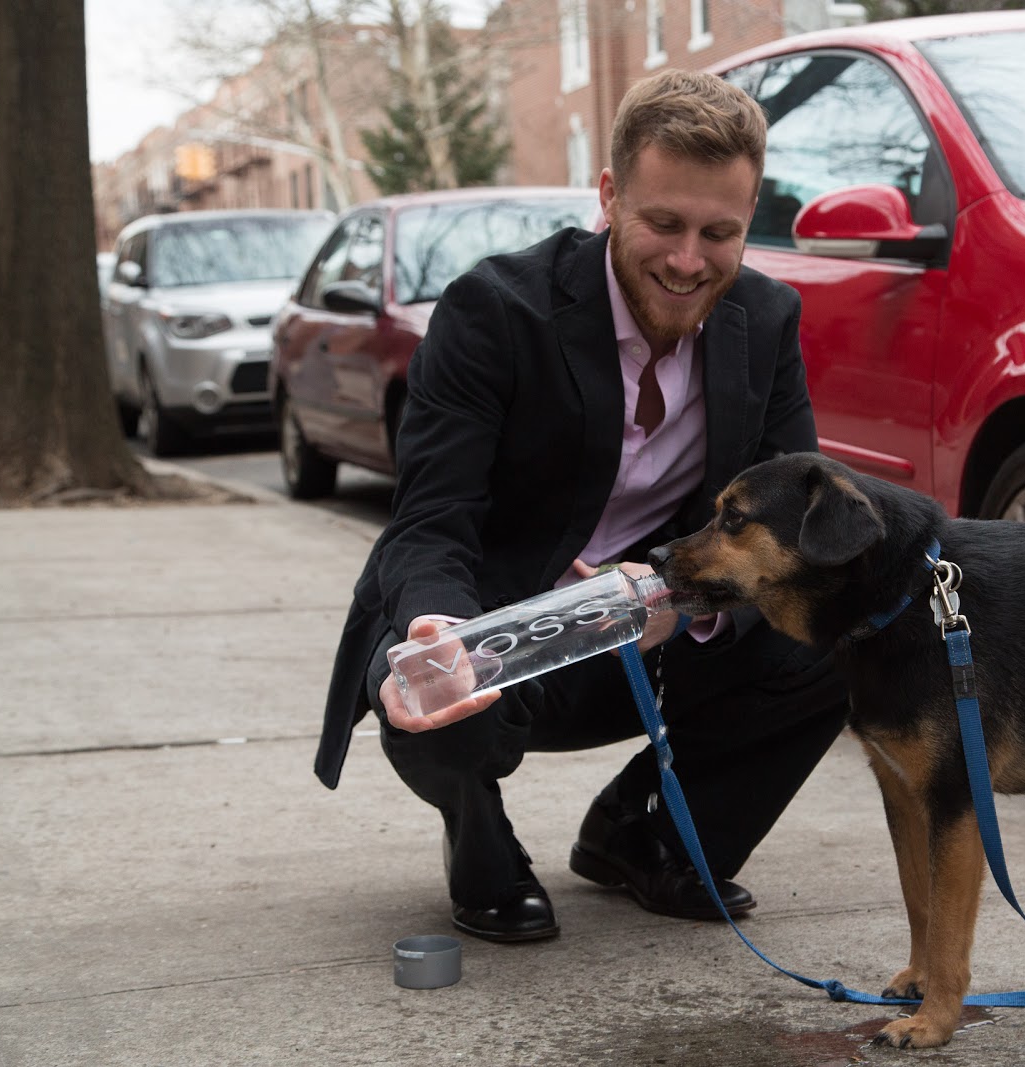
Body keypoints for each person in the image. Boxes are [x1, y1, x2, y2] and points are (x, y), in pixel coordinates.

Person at [313, 68, 851, 943]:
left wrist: (683, 602)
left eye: (720, 232)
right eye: (663, 223)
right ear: (608, 196)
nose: (688, 261)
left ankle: (648, 835)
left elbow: (789, 525)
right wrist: (441, 633)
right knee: (422, 673)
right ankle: (479, 839)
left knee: (843, 626)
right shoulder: (493, 310)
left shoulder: (767, 317)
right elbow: (430, 520)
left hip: (662, 629)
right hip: (509, 624)